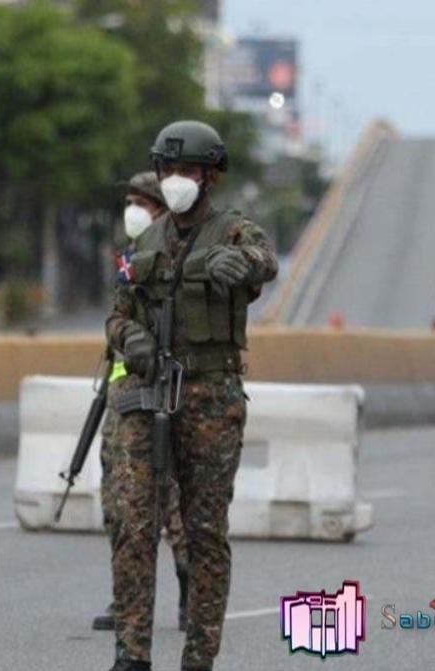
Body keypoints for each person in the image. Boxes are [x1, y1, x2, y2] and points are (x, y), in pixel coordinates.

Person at [105, 121, 278, 671]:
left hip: (210, 398)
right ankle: (132, 653)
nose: (176, 179)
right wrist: (133, 340)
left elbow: (266, 261)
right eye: (169, 169)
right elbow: (117, 315)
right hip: (148, 391)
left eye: (188, 170)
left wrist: (242, 265)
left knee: (204, 532)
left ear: (209, 176)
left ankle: (199, 656)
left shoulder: (233, 230)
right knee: (134, 525)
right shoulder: (143, 244)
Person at [95, 171, 190, 633]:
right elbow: (115, 320)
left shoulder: (181, 255)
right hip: (125, 395)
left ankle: (191, 591)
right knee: (121, 502)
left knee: (176, 503)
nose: (132, 211)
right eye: (129, 202)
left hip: (171, 391)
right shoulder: (127, 261)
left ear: (161, 210)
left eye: (142, 203)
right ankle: (126, 599)